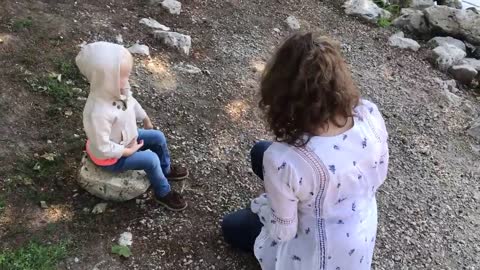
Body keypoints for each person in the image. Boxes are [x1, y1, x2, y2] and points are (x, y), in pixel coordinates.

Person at [221, 33, 389, 270]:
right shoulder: (368, 114)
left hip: (315, 253)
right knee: (260, 150)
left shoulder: (285, 160)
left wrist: (267, 206)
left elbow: (283, 232)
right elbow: (378, 176)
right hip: (358, 235)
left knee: (231, 226)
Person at [76, 42, 188, 211]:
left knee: (158, 137)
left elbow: (132, 104)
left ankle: (165, 169)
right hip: (111, 157)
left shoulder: (120, 90)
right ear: (105, 78)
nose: (127, 80)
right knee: (150, 159)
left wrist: (145, 118)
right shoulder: (96, 112)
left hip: (129, 138)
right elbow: (102, 146)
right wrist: (127, 152)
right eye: (123, 75)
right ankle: (163, 193)